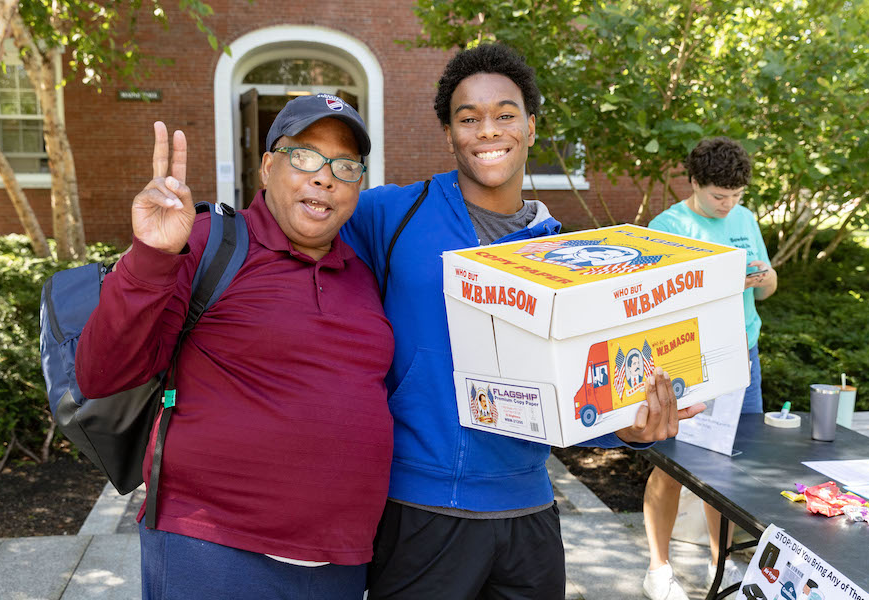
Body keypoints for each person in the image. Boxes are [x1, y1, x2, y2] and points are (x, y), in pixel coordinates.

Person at [341, 43, 705, 600]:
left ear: (531, 128)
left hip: (529, 513)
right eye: (469, 118)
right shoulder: (390, 214)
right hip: (420, 509)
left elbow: (582, 387)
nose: (488, 130)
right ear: (450, 134)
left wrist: (630, 430)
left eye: (505, 115)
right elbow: (291, 243)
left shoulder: (566, 253)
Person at [75, 94, 394, 599]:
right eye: (305, 156)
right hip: (212, 551)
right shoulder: (211, 243)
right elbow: (101, 373)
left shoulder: (363, 272)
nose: (325, 176)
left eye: (346, 166)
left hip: (339, 561)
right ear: (268, 167)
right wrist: (152, 256)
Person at [641, 137, 778, 600]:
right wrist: (720, 283)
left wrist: (763, 278)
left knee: (729, 467)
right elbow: (655, 303)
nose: (729, 205)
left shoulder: (744, 219)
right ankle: (659, 570)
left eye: (737, 196)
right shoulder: (667, 226)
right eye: (719, 196)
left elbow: (767, 290)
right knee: (675, 465)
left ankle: (720, 564)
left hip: (744, 355)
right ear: (695, 183)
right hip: (690, 361)